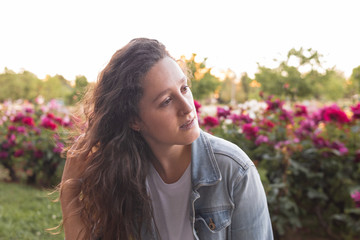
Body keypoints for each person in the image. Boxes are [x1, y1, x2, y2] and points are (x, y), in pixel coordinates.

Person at [60, 38, 273, 240]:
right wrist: (68, 192)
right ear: (135, 120)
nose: (188, 107)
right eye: (167, 101)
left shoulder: (234, 171)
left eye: (184, 88)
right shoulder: (122, 173)